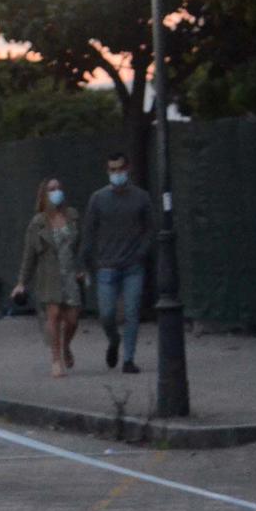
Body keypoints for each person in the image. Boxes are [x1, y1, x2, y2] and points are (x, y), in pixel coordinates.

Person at [81, 151, 155, 374]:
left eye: (120, 169)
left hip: (133, 265)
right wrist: (85, 263)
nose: (116, 173)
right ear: (107, 171)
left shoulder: (141, 197)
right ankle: (113, 340)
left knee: (132, 312)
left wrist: (141, 253)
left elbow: (150, 228)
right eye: (112, 170)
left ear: (127, 168)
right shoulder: (98, 198)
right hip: (107, 266)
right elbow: (89, 232)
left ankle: (129, 359)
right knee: (106, 314)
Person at [9, 177, 83, 377]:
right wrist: (21, 282)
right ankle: (56, 358)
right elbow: (29, 255)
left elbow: (81, 246)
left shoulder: (72, 216)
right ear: (43, 195)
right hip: (49, 275)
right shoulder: (38, 223)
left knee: (72, 319)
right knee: (54, 315)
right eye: (51, 189)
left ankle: (66, 345)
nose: (56, 192)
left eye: (58, 188)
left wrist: (82, 268)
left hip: (70, 274)